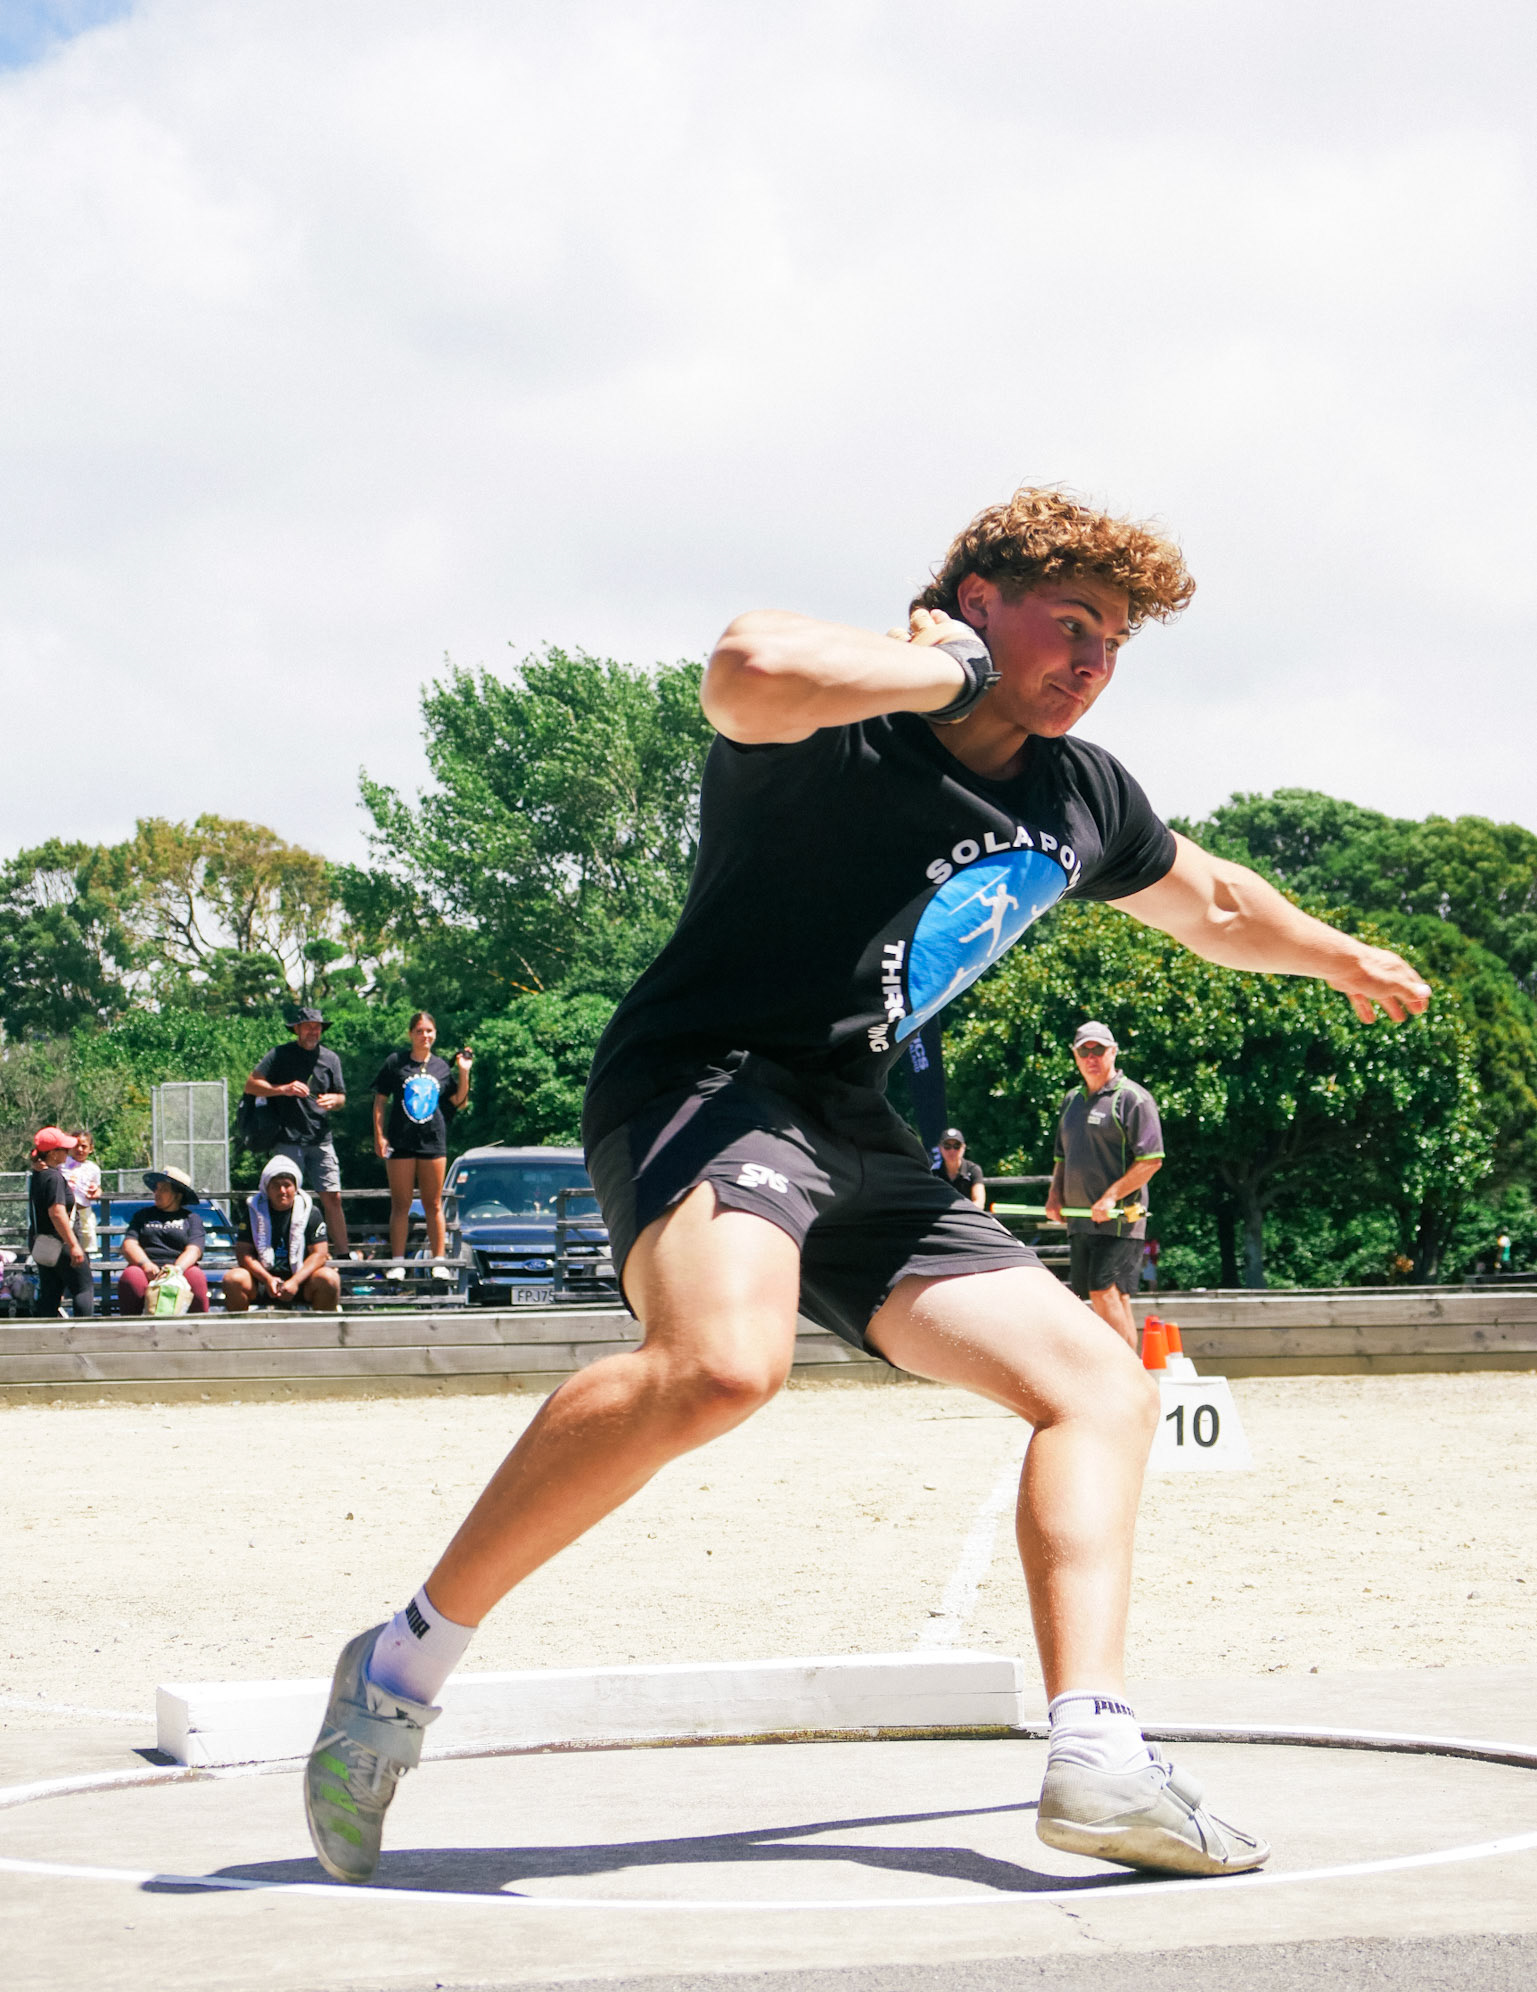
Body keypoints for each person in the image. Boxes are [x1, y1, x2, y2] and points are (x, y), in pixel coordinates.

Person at [302, 486, 1431, 1888]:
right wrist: (943, 668)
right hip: (707, 1084)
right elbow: (745, 665)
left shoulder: (1082, 794)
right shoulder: (841, 726)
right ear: (975, 605)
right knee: (722, 1367)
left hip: (853, 1123)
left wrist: (1338, 954)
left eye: (1116, 641)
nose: (1093, 662)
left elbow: (1209, 899)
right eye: (1070, 623)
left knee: (1101, 1387)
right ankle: (396, 1671)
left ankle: (1096, 1751)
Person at [1046, 1022, 1164, 1348]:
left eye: (1098, 1049)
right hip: (1080, 1219)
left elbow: (1151, 1160)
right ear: (1075, 1055)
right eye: (1084, 1051)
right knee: (1109, 1295)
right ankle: (1133, 1369)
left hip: (1120, 1219)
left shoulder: (1133, 1099)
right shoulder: (1071, 1100)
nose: (1091, 1057)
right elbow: (1061, 1156)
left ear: (1113, 1052)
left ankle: (1122, 1370)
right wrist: (1054, 1195)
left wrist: (1111, 1197)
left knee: (1103, 1289)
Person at [371, 1013, 471, 1281]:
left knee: (433, 1203)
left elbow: (459, 1101)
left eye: (429, 1031)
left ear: (435, 1034)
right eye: (419, 1031)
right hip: (400, 1141)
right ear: (410, 1034)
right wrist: (379, 1136)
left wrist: (464, 1072)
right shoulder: (396, 1062)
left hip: (433, 1140)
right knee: (401, 1203)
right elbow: (380, 1100)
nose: (424, 1035)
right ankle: (398, 1262)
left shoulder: (441, 1066)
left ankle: (439, 1261)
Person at [244, 1010, 351, 1258]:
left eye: (317, 1027)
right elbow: (251, 1085)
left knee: (333, 1197)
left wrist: (334, 1101)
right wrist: (283, 1089)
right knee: (285, 1199)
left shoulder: (331, 1058)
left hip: (321, 1139)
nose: (313, 1031)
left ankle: (344, 1256)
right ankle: (287, 1254)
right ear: (297, 1029)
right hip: (287, 1140)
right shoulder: (279, 1054)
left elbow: (342, 1097)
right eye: (308, 1027)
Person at [223, 1157, 341, 1313]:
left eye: (287, 1185)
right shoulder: (253, 1212)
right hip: (261, 1281)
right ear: (267, 1188)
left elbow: (319, 1254)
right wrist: (267, 1279)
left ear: (296, 1187)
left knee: (329, 1278)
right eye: (276, 1186)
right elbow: (244, 1253)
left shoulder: (310, 1212)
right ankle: (240, 1327)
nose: (282, 1191)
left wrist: (295, 1281)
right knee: (233, 1279)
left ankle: (324, 1327)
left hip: (301, 1280)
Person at [117, 1165, 211, 1315]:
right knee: (131, 1275)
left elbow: (194, 1249)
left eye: (164, 1189)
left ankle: (198, 1324)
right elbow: (129, 1244)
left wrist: (176, 1269)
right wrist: (146, 1264)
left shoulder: (192, 1219)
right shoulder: (143, 1215)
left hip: (180, 1270)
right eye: (157, 1189)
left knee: (196, 1276)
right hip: (146, 1269)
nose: (157, 1193)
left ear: (178, 1195)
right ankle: (133, 1325)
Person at [26, 1126, 93, 1319]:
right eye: (64, 1149)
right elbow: (56, 1213)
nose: (68, 1151)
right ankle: (85, 1331)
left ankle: (45, 1334)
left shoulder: (39, 1174)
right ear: (53, 1154)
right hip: (60, 1242)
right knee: (83, 1287)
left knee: (51, 1292)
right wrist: (73, 1245)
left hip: (42, 1243)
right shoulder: (54, 1177)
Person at [63, 1131, 102, 1258]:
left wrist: (96, 1191)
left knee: (86, 1240)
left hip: (83, 1209)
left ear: (91, 1149)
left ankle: (85, 1262)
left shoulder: (93, 1168)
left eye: (83, 1146)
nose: (79, 1149)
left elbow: (97, 1187)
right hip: (66, 1210)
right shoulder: (63, 1163)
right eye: (76, 1146)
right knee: (66, 1242)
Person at [934, 1126, 986, 1206]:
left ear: (963, 1148)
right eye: (947, 1146)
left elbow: (979, 1202)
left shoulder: (973, 1170)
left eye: (957, 1146)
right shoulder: (933, 1172)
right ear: (940, 1148)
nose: (952, 1150)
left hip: (967, 1212)